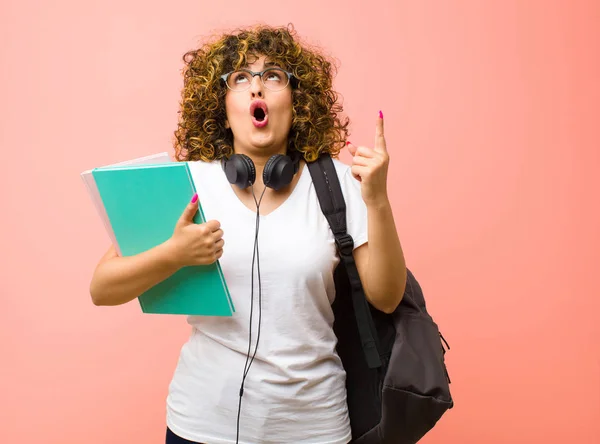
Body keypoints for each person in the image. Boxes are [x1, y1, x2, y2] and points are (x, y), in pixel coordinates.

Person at [89, 23, 407, 444]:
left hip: (313, 427)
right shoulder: (190, 186)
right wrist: (174, 254)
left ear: (297, 101)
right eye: (240, 78)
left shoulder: (340, 184)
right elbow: (102, 288)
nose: (256, 88)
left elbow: (386, 296)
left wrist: (378, 201)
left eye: (273, 75)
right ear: (222, 105)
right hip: (201, 424)